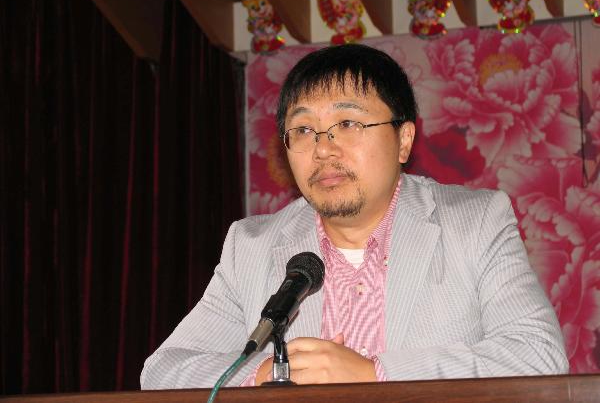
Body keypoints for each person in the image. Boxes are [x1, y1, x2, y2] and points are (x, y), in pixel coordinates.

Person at [140, 44, 568, 389]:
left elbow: (539, 356)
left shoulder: (475, 223)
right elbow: (163, 371)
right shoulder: (251, 246)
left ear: (404, 140)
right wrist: (267, 374)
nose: (323, 149)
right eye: (303, 130)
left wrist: (374, 374)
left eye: (347, 123)